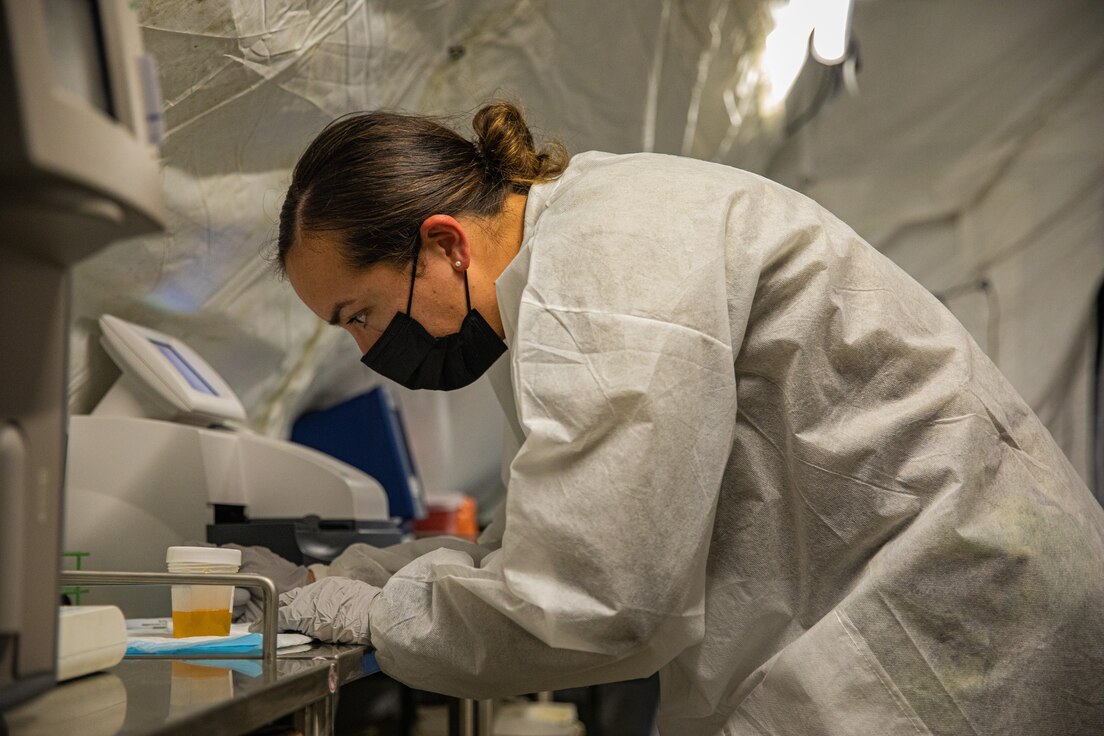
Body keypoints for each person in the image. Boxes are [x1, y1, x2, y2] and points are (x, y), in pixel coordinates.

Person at [271, 101, 1104, 735]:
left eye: (360, 314)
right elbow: (554, 537)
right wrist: (373, 575)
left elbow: (591, 598)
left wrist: (384, 617)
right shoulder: (570, 252)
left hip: (959, 606)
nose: (366, 346)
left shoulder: (594, 278)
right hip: (922, 585)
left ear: (445, 244)